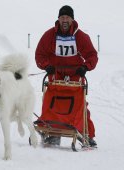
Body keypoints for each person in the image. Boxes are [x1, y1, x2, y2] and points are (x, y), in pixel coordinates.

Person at [35, 5, 98, 147]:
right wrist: (46, 66)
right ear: (58, 19)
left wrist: (85, 67)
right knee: (52, 103)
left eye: (67, 17)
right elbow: (40, 54)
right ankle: (52, 133)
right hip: (55, 75)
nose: (64, 20)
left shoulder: (80, 36)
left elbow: (92, 55)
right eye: (62, 17)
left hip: (75, 76)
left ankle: (87, 134)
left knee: (80, 105)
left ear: (72, 19)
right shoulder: (49, 35)